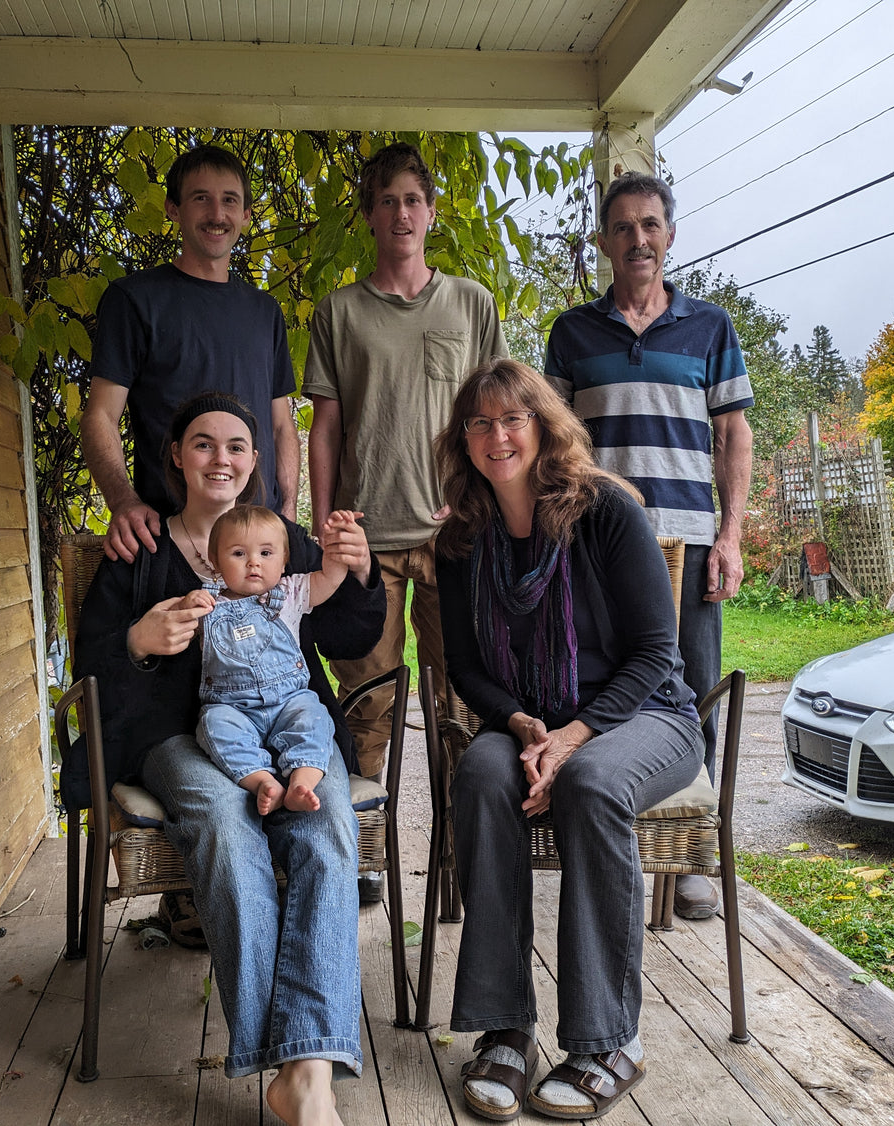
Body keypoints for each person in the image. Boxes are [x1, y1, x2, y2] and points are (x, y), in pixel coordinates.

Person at [72, 393, 385, 1125]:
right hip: (177, 739)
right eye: (204, 444)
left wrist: (357, 569)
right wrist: (137, 643)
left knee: (328, 822)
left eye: (238, 446)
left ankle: (307, 1074)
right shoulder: (138, 546)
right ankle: (282, 1058)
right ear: (175, 456)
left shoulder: (284, 539)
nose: (223, 458)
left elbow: (345, 630)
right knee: (223, 816)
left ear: (256, 461)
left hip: (288, 733)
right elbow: (89, 666)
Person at [433, 360, 703, 1122]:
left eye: (511, 418)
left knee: (590, 782)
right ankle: (506, 1026)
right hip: (530, 722)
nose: (497, 435)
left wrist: (574, 738)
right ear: (464, 439)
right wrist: (522, 726)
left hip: (647, 716)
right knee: (483, 775)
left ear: (544, 426)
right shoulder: (460, 539)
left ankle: (611, 1041)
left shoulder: (605, 513)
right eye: (479, 423)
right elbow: (467, 668)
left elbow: (657, 652)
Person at [543, 171, 753, 922]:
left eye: (651, 225)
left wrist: (729, 535)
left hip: (689, 541)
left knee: (693, 691)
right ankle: (617, 836)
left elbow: (733, 434)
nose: (639, 239)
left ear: (670, 235)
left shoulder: (711, 327)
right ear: (604, 242)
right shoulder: (572, 333)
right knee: (609, 686)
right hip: (597, 548)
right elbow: (554, 443)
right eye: (624, 227)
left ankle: (694, 861)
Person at [304, 143, 507, 902]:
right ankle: (358, 855)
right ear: (369, 214)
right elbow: (325, 427)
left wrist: (483, 496)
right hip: (369, 542)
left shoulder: (470, 303)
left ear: (431, 211)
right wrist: (327, 523)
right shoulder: (340, 312)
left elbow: (497, 409)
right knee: (369, 701)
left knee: (461, 701)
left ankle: (460, 859)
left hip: (456, 537)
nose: (401, 214)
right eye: (386, 201)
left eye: (413, 200)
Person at [82, 143, 300, 565]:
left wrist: (287, 511)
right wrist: (123, 502)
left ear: (245, 216)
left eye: (230, 201)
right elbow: (100, 416)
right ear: (173, 209)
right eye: (201, 198)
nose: (217, 214)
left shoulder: (265, 312)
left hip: (260, 545)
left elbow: (281, 426)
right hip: (171, 543)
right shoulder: (134, 300)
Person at [186, 504, 365, 815]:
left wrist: (337, 545)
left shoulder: (291, 592)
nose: (253, 562)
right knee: (213, 726)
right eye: (239, 554)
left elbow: (331, 577)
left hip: (289, 701)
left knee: (314, 719)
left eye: (266, 554)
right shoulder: (208, 605)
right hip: (233, 708)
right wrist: (187, 606)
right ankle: (263, 783)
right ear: (214, 561)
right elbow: (177, 628)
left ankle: (302, 782)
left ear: (284, 561)